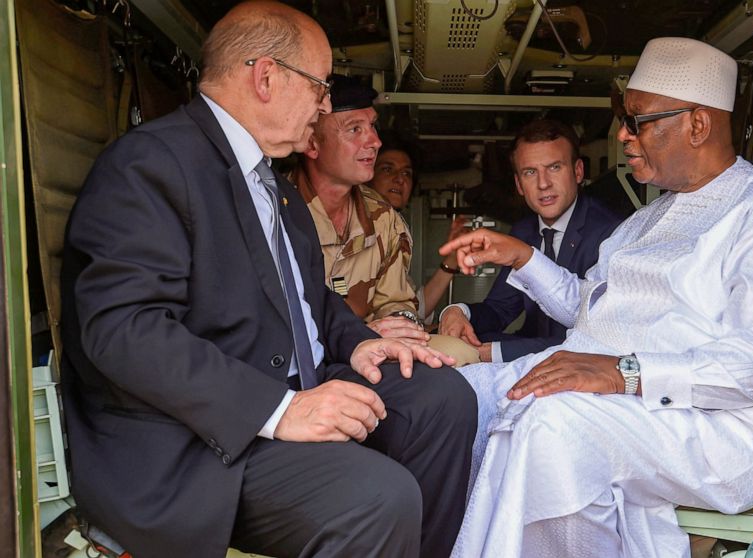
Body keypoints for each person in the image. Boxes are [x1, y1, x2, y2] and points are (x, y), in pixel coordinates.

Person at [59, 3, 476, 558]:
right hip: (199, 442)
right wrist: (280, 411)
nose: (325, 104)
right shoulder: (150, 165)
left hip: (296, 381)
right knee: (378, 497)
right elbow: (123, 331)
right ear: (265, 77)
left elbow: (311, 300)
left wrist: (363, 345)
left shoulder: (273, 187)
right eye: (319, 87)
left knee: (443, 399)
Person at [441, 37, 753, 557]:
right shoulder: (650, 217)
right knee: (463, 393)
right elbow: (593, 309)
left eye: (638, 121)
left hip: (723, 426)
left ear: (697, 125)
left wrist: (624, 372)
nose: (623, 136)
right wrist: (522, 256)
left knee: (554, 424)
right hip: (636, 404)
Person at [438, 119, 623, 363]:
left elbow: (599, 339)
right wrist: (457, 311)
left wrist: (494, 353)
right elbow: (500, 309)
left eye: (554, 167)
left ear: (578, 172)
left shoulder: (610, 232)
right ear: (519, 184)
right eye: (530, 172)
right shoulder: (524, 231)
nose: (543, 183)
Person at [289, 74, 430, 344]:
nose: (375, 141)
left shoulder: (384, 218)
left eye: (373, 126)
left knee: (457, 357)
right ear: (311, 143)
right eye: (355, 129)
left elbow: (395, 303)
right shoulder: (274, 210)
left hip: (370, 356)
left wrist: (402, 325)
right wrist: (356, 337)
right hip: (297, 365)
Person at [367, 136, 470, 325]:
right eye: (387, 169)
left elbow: (416, 310)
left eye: (406, 173)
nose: (399, 179)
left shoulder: (395, 230)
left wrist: (453, 258)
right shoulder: (357, 226)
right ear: (367, 174)